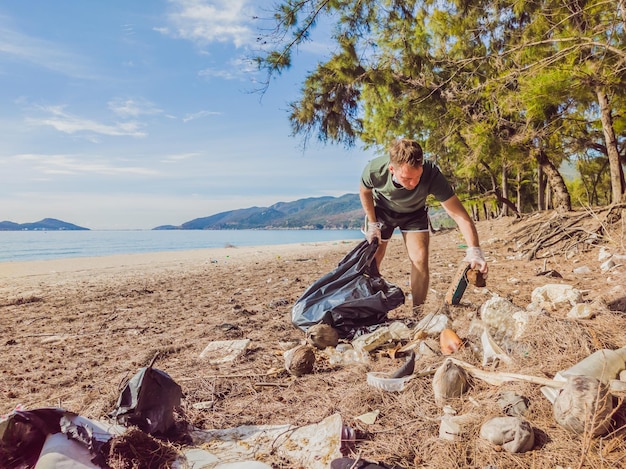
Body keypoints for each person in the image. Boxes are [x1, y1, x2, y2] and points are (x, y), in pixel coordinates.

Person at [359, 138, 488, 311]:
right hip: (381, 210)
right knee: (373, 258)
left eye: (417, 177)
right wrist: (373, 224)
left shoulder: (431, 173)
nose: (413, 183)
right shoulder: (375, 170)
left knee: (419, 258)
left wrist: (475, 250)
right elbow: (364, 191)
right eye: (407, 178)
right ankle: (368, 307)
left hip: (414, 213)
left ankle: (417, 312)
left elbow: (459, 215)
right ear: (392, 170)